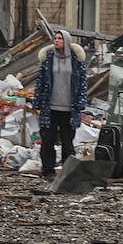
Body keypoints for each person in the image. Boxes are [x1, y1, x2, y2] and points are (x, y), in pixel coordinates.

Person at [32, 29, 87, 179]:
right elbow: (41, 81)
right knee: (48, 139)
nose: (56, 41)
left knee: (67, 141)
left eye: (60, 39)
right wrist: (37, 103)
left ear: (67, 42)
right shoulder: (48, 59)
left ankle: (67, 171)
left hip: (70, 108)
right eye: (55, 38)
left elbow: (82, 81)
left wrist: (81, 102)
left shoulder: (76, 60)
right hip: (50, 107)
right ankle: (48, 170)